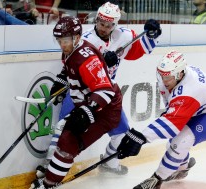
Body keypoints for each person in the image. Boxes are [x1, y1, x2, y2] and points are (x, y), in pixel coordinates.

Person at [38, 1, 161, 177]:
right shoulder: (85, 39)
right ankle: (49, 166)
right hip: (80, 91)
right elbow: (70, 65)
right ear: (96, 20)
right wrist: (62, 80)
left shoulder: (124, 36)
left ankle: (110, 163)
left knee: (121, 134)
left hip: (105, 95)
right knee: (63, 128)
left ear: (115, 24)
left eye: (109, 25)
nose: (103, 28)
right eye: (101, 23)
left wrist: (152, 33)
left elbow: (144, 49)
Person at [116, 50, 206, 189]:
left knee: (182, 141)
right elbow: (172, 115)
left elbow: (171, 125)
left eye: (167, 77)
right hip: (204, 106)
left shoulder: (191, 89)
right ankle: (181, 167)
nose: (163, 80)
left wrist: (141, 137)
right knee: (174, 141)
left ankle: (157, 180)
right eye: (161, 75)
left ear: (180, 74)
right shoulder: (171, 78)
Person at [30, 16, 123, 189]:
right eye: (59, 40)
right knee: (64, 133)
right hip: (92, 105)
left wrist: (86, 112)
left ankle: (49, 183)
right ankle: (53, 170)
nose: (62, 44)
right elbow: (69, 70)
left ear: (77, 37)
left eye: (65, 40)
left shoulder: (86, 59)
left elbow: (105, 90)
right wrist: (61, 82)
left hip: (105, 110)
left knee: (68, 141)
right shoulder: (71, 51)